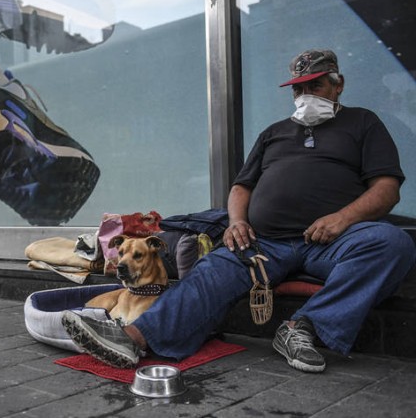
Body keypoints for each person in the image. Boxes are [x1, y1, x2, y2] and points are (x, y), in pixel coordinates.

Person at [61, 49, 416, 373]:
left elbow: (386, 190)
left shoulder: (363, 123)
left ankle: (300, 329)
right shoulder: (274, 133)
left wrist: (343, 219)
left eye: (315, 85)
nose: (305, 96)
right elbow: (240, 188)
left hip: (332, 240)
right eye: (298, 89)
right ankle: (133, 339)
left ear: (338, 85)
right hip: (266, 243)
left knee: (391, 243)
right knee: (213, 268)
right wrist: (237, 221)